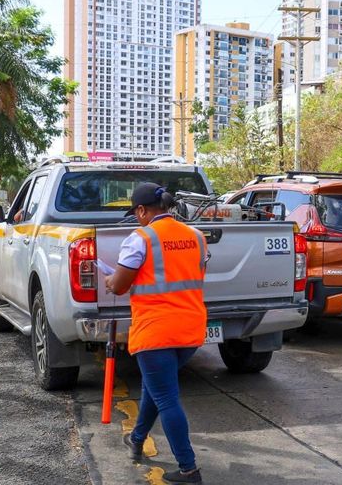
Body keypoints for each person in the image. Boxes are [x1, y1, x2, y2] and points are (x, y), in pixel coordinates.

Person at [105, 182, 208, 484]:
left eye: (135, 212)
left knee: (166, 397)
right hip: (190, 329)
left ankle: (189, 469)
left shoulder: (141, 238)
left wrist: (111, 282)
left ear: (141, 210)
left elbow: (121, 285)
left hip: (156, 331)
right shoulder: (196, 236)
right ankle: (137, 438)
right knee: (156, 388)